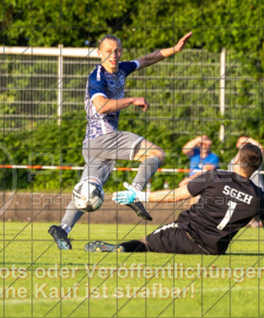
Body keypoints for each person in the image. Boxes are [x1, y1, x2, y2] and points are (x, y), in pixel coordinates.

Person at [48, 31, 193, 250]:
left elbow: (147, 59)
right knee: (156, 153)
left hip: (92, 145)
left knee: (88, 190)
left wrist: (174, 49)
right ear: (99, 53)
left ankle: (63, 229)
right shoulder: (97, 77)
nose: (113, 55)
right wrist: (132, 100)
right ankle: (135, 192)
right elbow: (101, 106)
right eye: (108, 51)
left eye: (117, 51)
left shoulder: (122, 68)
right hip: (105, 138)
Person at [84, 144, 264, 255]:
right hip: (212, 250)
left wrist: (141, 196)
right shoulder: (259, 196)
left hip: (185, 234)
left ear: (237, 159)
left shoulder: (215, 176)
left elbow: (176, 195)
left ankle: (121, 248)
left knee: (145, 243)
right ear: (257, 167)